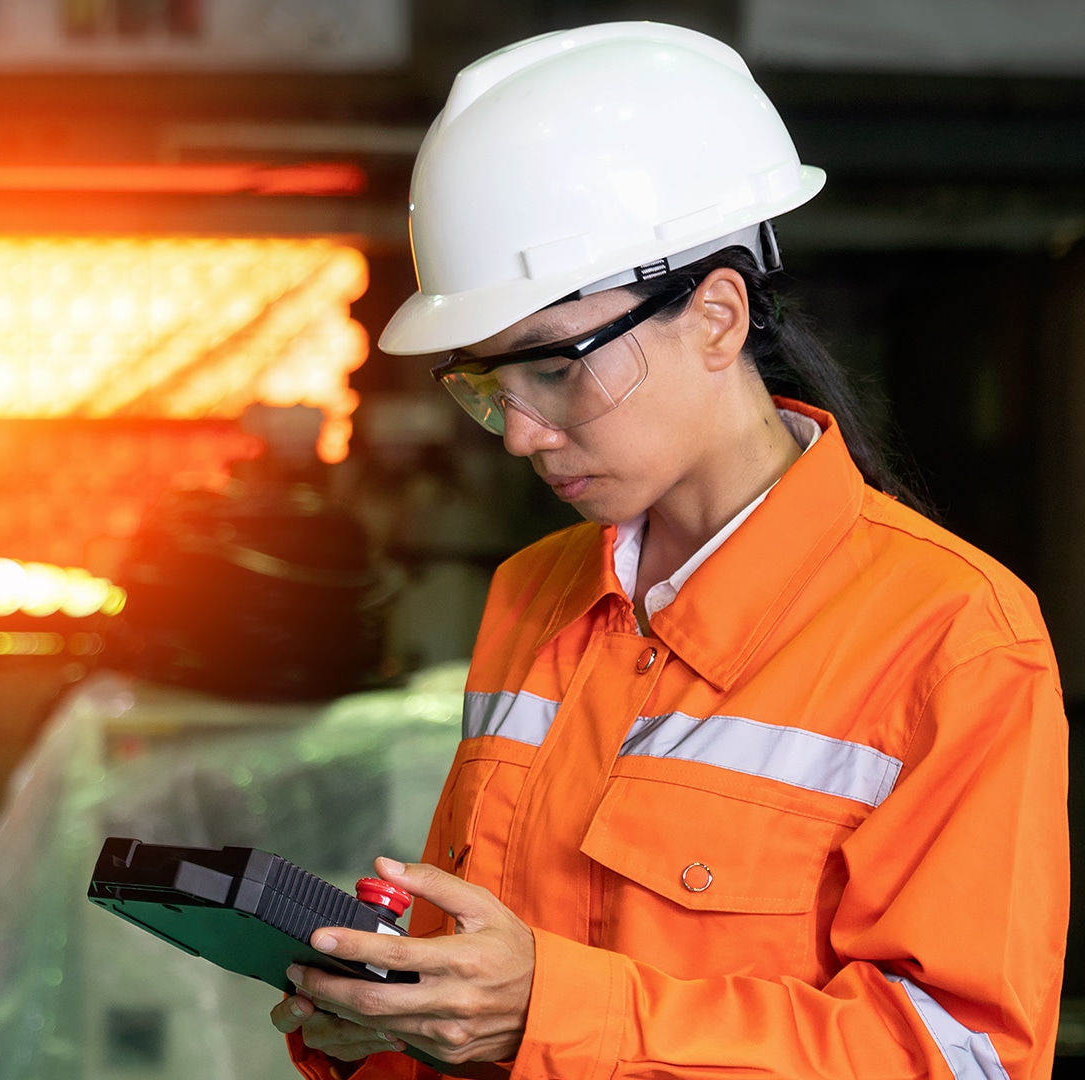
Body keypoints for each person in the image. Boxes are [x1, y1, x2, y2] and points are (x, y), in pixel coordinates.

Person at [270, 21, 1068, 1080]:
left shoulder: (954, 636)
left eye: (555, 368)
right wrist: (396, 1028)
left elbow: (965, 1062)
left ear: (717, 316)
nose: (520, 432)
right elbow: (489, 995)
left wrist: (554, 1018)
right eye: (486, 387)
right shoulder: (532, 595)